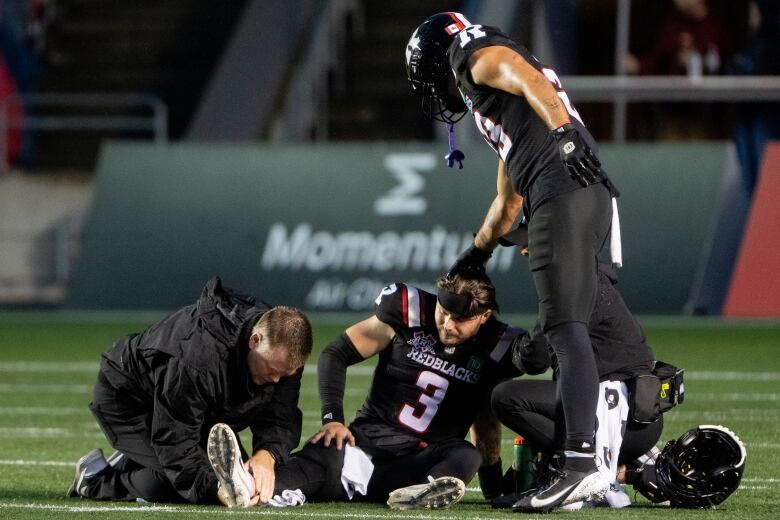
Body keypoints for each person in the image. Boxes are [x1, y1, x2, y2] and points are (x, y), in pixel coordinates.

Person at [405, 12, 621, 512]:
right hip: (581, 192)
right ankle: (580, 465)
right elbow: (507, 206)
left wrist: (563, 131)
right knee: (572, 331)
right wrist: (475, 253)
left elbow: (523, 74)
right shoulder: (507, 112)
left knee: (565, 331)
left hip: (562, 190)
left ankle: (580, 465)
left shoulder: (471, 54)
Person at [212, 272, 542, 509]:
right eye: (444, 313)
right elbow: (335, 353)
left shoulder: (496, 346)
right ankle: (243, 486)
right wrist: (332, 417)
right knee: (322, 457)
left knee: (463, 455)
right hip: (362, 449)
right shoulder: (408, 312)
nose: (447, 324)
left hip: (416, 464)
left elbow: (485, 421)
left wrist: (493, 485)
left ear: (484, 317)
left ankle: (420, 494)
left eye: (460, 320)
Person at [66, 276, 313, 506]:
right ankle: (95, 479)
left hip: (192, 407)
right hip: (129, 398)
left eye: (285, 374)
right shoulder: (198, 359)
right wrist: (216, 490)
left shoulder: (284, 357)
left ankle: (137, 456)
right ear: (254, 341)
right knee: (176, 486)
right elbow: (175, 443)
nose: (276, 379)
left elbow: (281, 416)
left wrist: (266, 456)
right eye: (272, 369)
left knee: (245, 479)